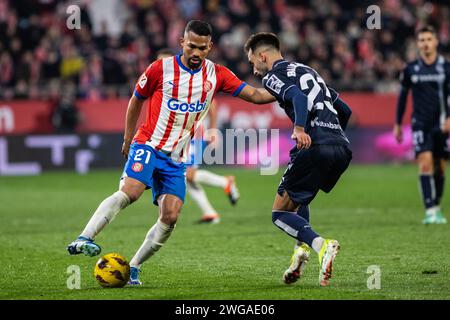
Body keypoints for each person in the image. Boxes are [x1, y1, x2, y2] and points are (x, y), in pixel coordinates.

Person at [67, 20, 275, 286]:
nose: (196, 53)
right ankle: (85, 237)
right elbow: (135, 100)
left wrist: (286, 93)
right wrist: (128, 138)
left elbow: (255, 95)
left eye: (202, 48)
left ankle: (133, 267)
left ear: (210, 47)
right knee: (130, 192)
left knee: (171, 216)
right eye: (191, 46)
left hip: (177, 157)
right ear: (182, 43)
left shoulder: (217, 74)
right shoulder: (160, 68)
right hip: (148, 145)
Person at [244, 32, 352, 286]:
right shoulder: (309, 70)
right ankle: (299, 252)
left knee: (279, 213)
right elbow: (344, 110)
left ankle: (320, 245)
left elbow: (299, 98)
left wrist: (300, 128)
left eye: (252, 62)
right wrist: (332, 135)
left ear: (262, 56)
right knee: (301, 196)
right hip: (341, 148)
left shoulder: (273, 75)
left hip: (314, 144)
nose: (255, 69)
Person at [155, 48, 240, 224]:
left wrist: (213, 130)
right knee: (185, 175)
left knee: (186, 172)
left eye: (163, 61)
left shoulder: (186, 78)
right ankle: (210, 212)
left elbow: (213, 103)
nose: (160, 66)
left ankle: (225, 182)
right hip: (178, 134)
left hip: (193, 132)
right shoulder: (165, 82)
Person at [394, 26, 450, 225]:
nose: (425, 43)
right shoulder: (411, 69)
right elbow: (402, 97)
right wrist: (398, 123)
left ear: (435, 42)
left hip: (442, 124)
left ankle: (436, 205)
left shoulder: (446, 67)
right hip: (421, 124)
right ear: (418, 44)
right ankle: (430, 210)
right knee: (425, 162)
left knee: (440, 167)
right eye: (422, 40)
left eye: (429, 39)